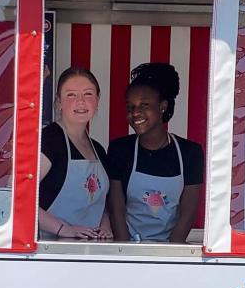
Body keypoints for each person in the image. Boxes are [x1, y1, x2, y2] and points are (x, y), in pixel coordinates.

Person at [107, 62, 204, 243]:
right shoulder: (120, 149)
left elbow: (187, 214)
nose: (135, 112)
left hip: (170, 252)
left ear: (163, 106)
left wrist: (169, 256)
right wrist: (124, 253)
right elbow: (116, 209)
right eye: (130, 106)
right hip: (128, 249)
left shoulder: (190, 153)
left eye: (144, 104)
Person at [39, 67, 112, 240]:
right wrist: (63, 229)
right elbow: (17, 197)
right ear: (58, 102)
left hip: (88, 251)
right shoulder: (48, 140)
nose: (80, 102)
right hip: (49, 251)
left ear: (97, 99)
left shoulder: (98, 150)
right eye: (71, 95)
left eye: (88, 94)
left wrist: (105, 226)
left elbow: (100, 204)